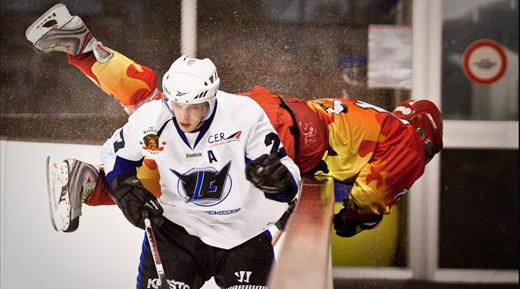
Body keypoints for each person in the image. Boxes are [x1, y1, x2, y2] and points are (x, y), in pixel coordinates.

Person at [29, 4, 442, 239]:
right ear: (426, 135)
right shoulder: (408, 140)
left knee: (162, 115)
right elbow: (372, 197)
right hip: (286, 135)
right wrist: (349, 220)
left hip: (276, 115)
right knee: (186, 179)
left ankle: (83, 49)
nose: (420, 161)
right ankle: (95, 184)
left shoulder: (379, 120)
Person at [28, 5, 301, 289]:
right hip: (177, 229)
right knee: (145, 112)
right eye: (177, 105)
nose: (184, 116)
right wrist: (121, 184)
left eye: (194, 107)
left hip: (239, 230)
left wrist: (282, 180)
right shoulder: (162, 114)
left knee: (144, 100)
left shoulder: (247, 115)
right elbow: (123, 155)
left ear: (212, 98)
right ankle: (96, 178)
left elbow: (290, 179)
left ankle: (91, 180)